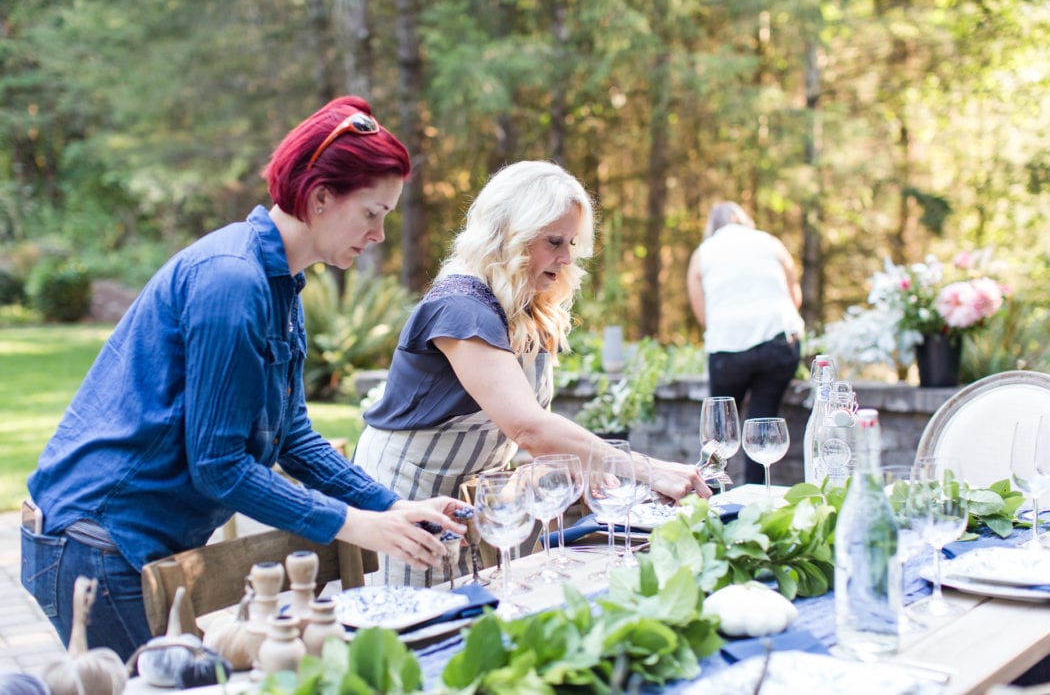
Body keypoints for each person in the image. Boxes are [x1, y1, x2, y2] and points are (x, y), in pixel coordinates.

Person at [21, 96, 467, 660]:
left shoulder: (282, 285)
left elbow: (293, 435)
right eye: (373, 213)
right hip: (96, 541)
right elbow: (218, 466)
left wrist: (387, 507)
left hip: (132, 544)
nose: (379, 234)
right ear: (321, 197)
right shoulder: (231, 281)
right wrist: (352, 524)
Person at [354, 160, 711, 586]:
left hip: (480, 504)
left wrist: (577, 466)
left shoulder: (526, 310)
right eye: (554, 242)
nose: (565, 259)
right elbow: (528, 426)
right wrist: (650, 470)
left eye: (572, 244)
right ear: (507, 237)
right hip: (406, 496)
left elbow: (518, 435)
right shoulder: (459, 309)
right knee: (420, 633)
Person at [686, 201, 804, 485]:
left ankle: (708, 501)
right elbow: (794, 296)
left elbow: (702, 311)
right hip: (778, 344)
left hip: (728, 351)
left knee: (719, 431)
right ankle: (755, 498)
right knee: (760, 422)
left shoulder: (702, 253)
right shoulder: (770, 242)